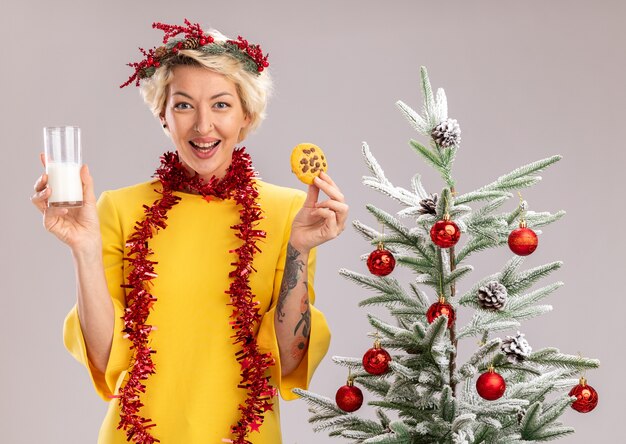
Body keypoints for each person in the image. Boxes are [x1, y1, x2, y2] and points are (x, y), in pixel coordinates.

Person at [31, 20, 348, 444]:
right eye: (184, 105)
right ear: (163, 116)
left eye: (220, 105)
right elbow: (106, 357)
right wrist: (84, 248)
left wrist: (298, 250)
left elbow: (289, 361)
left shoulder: (290, 211)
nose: (202, 126)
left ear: (246, 116)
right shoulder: (118, 209)